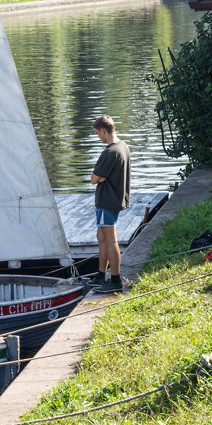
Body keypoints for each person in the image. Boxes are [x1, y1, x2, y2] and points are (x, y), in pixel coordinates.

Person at [90, 114, 131, 294]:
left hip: (107, 201)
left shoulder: (109, 152)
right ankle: (100, 274)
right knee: (102, 237)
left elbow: (92, 179)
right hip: (115, 199)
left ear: (104, 131)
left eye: (98, 133)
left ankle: (115, 279)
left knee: (110, 240)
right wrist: (101, 177)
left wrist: (99, 178)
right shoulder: (123, 147)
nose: (98, 136)